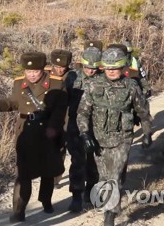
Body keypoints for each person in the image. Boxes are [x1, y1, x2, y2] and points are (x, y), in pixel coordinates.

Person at [77, 48, 153, 226]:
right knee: (103, 177)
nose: (111, 71)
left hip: (122, 138)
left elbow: (143, 111)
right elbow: (82, 113)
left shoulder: (131, 86)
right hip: (99, 139)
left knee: (114, 176)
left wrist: (147, 132)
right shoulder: (93, 85)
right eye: (108, 67)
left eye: (115, 67)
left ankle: (110, 214)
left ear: (122, 67)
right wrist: (84, 133)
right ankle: (110, 200)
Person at [0, 52, 68, 223]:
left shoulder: (57, 84)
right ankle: (18, 210)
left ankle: (46, 200)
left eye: (35, 71)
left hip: (47, 132)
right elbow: (13, 102)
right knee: (23, 172)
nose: (31, 75)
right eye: (28, 71)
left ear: (43, 70)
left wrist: (53, 128)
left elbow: (60, 111)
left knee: (48, 170)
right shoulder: (19, 82)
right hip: (25, 132)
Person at [65, 46, 101, 213]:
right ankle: (76, 196)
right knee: (77, 160)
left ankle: (91, 190)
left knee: (94, 161)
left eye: (94, 68)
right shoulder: (72, 77)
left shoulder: (103, 79)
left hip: (97, 124)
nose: (90, 71)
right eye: (87, 67)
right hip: (75, 125)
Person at [45, 49, 73, 185]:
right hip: (49, 115)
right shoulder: (45, 74)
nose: (60, 70)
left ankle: (57, 176)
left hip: (66, 115)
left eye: (63, 67)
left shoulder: (73, 76)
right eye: (57, 67)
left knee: (61, 145)